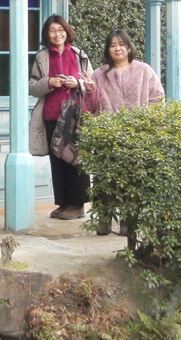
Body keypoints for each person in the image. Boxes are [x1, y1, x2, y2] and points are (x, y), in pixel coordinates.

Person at [90, 29, 164, 235]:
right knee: (104, 178)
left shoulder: (144, 70)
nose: (118, 49)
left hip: (137, 135)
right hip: (107, 135)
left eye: (122, 44)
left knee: (132, 180)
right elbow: (90, 104)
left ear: (129, 47)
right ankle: (104, 219)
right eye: (113, 45)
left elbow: (157, 97)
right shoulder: (98, 74)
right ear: (107, 50)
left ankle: (128, 221)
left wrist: (146, 122)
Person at [28, 15, 96, 221]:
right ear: (46, 34)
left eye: (60, 30)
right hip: (51, 115)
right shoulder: (41, 57)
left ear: (67, 32)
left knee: (74, 159)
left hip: (75, 116)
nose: (57, 34)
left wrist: (77, 83)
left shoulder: (79, 55)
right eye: (52, 31)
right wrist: (49, 82)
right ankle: (64, 203)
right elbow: (32, 87)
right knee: (57, 160)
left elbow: (92, 83)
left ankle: (78, 205)